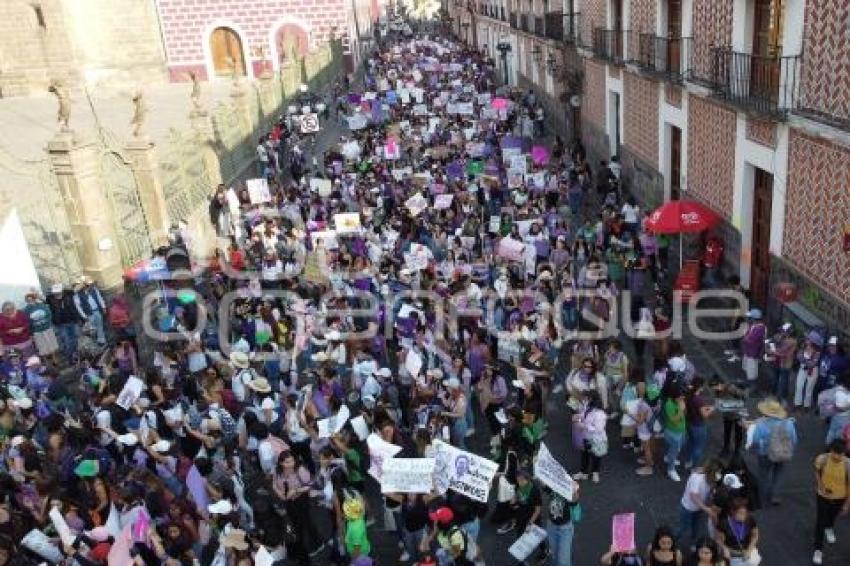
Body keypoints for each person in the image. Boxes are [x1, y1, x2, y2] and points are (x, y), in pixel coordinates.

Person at [749, 398, 797, 506]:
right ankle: (775, 495)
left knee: (763, 474)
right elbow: (794, 439)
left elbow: (756, 440)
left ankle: (762, 497)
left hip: (765, 453)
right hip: (782, 453)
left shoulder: (761, 424)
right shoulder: (788, 423)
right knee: (778, 474)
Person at [811, 439, 850, 565]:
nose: (837, 456)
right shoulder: (822, 459)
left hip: (840, 497)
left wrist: (846, 504)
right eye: (835, 453)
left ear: (845, 453)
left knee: (832, 516)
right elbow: (817, 471)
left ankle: (830, 527)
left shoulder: (848, 464)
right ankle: (818, 549)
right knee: (820, 521)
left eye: (841, 454)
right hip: (822, 496)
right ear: (830, 451)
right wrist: (820, 484)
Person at [676, 459, 722, 547]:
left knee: (696, 528)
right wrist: (706, 509)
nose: (719, 474)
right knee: (682, 528)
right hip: (688, 508)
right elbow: (694, 496)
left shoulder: (711, 479)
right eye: (718, 472)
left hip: (699, 509)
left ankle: (694, 543)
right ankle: (673, 540)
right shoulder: (696, 478)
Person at [573, 391, 608, 483]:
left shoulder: (600, 413)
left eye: (586, 398)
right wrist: (578, 417)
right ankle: (584, 472)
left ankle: (595, 472)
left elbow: (599, 429)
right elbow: (583, 415)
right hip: (586, 436)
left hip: (596, 439)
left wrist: (583, 426)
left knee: (596, 455)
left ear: (591, 399)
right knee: (584, 454)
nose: (584, 400)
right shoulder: (588, 408)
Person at [544, 481, 580, 566]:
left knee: (563, 561)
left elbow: (574, 501)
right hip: (551, 526)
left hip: (565, 529)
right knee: (555, 555)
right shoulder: (553, 487)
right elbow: (544, 485)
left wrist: (574, 491)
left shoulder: (568, 492)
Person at [714, 501, 759, 566]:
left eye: (745, 513)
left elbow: (755, 535)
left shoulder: (750, 520)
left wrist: (749, 550)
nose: (743, 516)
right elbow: (718, 539)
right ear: (733, 512)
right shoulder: (724, 524)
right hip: (732, 553)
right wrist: (724, 548)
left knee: (752, 563)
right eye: (740, 513)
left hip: (747, 550)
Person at [663, 382, 687, 482]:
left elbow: (685, 414)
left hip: (681, 430)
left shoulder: (678, 401)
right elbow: (674, 420)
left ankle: (668, 457)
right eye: (680, 397)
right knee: (674, 451)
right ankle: (671, 470)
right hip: (673, 432)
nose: (682, 398)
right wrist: (681, 410)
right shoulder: (669, 404)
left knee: (676, 448)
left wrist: (682, 408)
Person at [73, 276, 107, 347]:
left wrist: (103, 307)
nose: (89, 286)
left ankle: (102, 341)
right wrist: (84, 316)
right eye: (87, 285)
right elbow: (78, 307)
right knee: (92, 331)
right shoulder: (78, 295)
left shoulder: (94, 290)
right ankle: (94, 344)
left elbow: (99, 298)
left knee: (100, 326)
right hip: (89, 314)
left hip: (97, 310)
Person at [739, 309, 766, 385]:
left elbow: (750, 340)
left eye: (750, 317)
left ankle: (751, 387)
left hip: (753, 353)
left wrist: (745, 337)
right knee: (746, 368)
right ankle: (746, 383)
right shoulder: (752, 326)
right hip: (747, 352)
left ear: (754, 318)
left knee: (751, 372)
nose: (748, 319)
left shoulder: (760, 328)